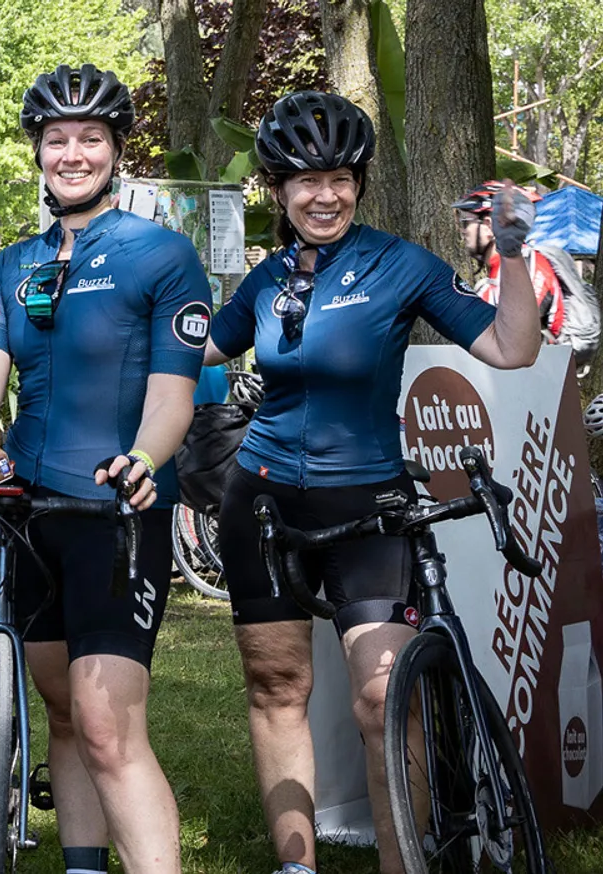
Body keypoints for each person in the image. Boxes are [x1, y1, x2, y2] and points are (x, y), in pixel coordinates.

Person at [203, 91, 542, 874]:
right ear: (279, 191)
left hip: (368, 503)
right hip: (261, 501)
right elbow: (196, 354)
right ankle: (296, 865)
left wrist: (514, 251)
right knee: (275, 686)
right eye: (305, 181)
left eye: (340, 178)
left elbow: (511, 349)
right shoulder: (265, 280)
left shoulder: (400, 264)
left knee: (382, 698)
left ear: (358, 182)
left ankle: (403, 864)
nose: (325, 195)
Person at [0, 64, 201, 874]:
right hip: (29, 516)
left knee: (110, 725)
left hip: (117, 512)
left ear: (116, 149)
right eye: (57, 140)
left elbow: (172, 395)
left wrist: (145, 459)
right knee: (65, 714)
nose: (72, 153)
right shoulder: (14, 264)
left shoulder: (161, 254)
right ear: (38, 152)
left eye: (90, 138)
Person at [454, 180, 600, 372]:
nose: (462, 231)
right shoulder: (493, 278)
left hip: (542, 380)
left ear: (489, 226)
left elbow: (514, 333)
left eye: (466, 223)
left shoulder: (530, 264)